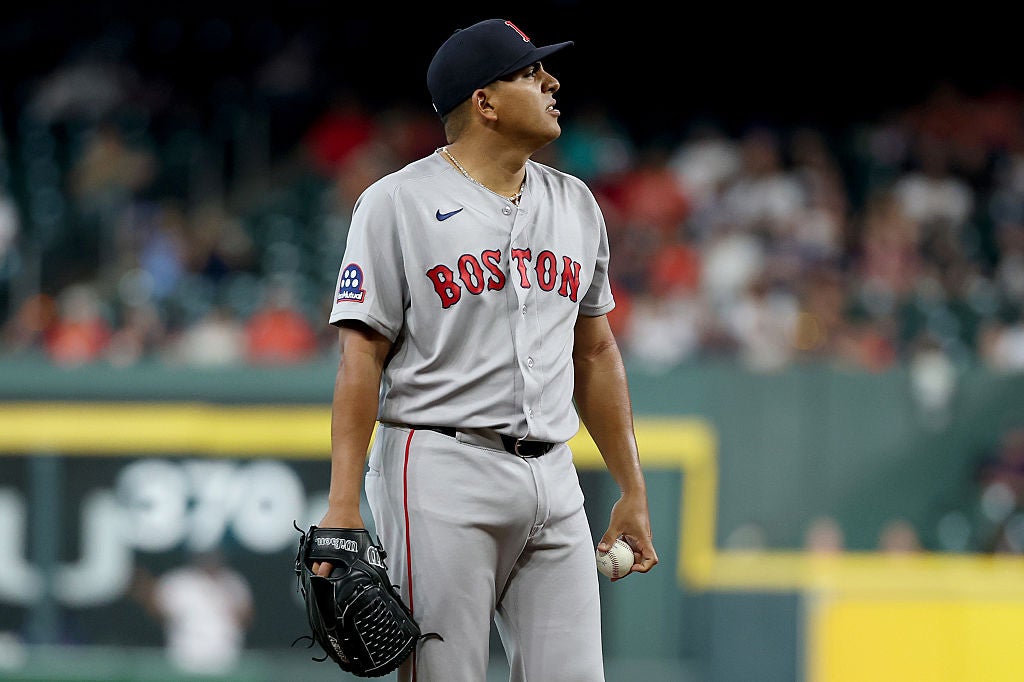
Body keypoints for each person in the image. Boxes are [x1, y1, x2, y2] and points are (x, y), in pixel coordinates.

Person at [315, 18, 658, 681]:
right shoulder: (396, 204)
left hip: (554, 476)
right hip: (440, 465)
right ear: (485, 102)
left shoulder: (576, 204)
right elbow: (361, 359)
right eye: (530, 72)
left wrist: (631, 487)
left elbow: (596, 356)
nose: (551, 81)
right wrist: (343, 501)